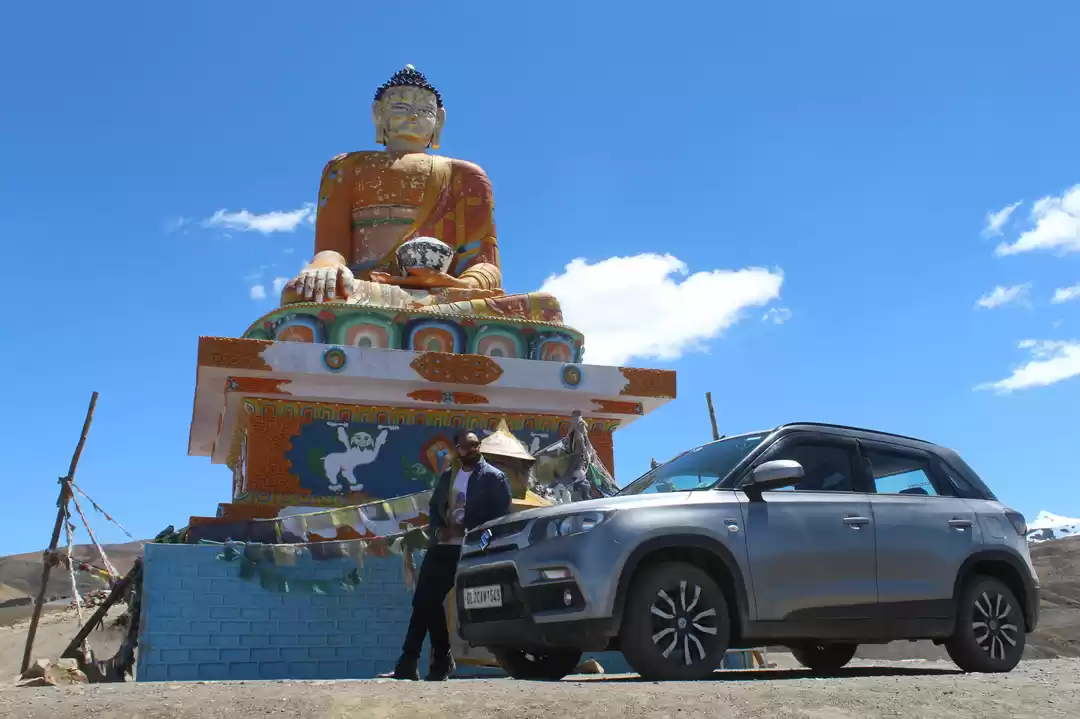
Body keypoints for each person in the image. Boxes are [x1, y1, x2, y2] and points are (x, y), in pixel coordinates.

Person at [390, 430, 512, 681]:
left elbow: (501, 517)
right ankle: (420, 661)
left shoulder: (493, 477)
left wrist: (467, 527)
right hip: (443, 546)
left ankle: (424, 660)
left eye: (477, 444)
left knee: (433, 600)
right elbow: (435, 507)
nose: (474, 449)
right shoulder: (450, 475)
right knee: (424, 600)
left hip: (471, 548)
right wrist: (438, 530)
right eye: (467, 446)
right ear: (458, 449)